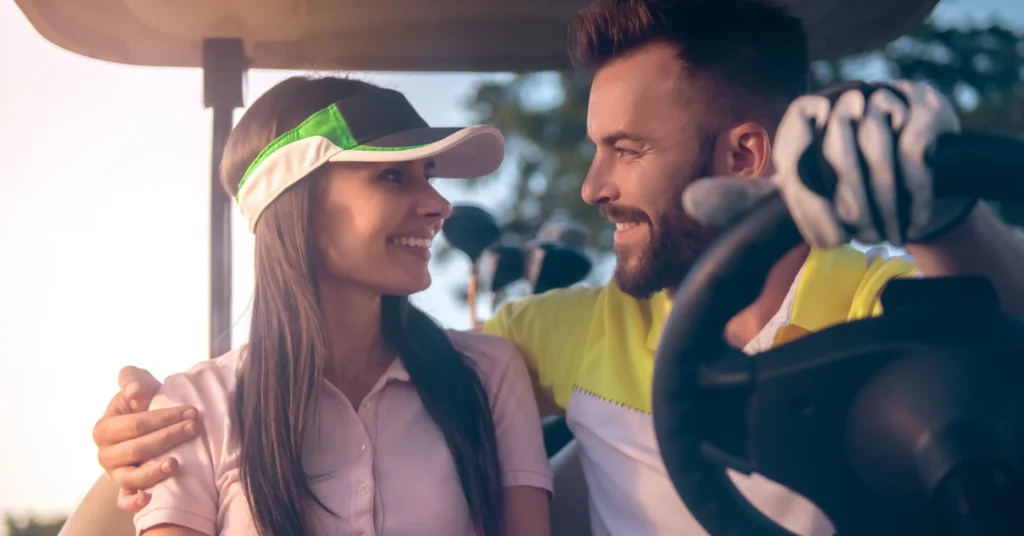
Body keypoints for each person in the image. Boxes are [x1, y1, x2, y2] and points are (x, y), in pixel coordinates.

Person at [81, 1, 1024, 535]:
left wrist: (949, 217)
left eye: (624, 148)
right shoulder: (555, 334)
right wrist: (138, 434)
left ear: (743, 157)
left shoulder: (880, 301)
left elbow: (1001, 331)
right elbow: (363, 373)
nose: (590, 187)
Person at [96, 75, 553, 536]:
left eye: (428, 176)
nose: (440, 204)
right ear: (296, 202)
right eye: (393, 175)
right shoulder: (192, 407)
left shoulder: (488, 372)